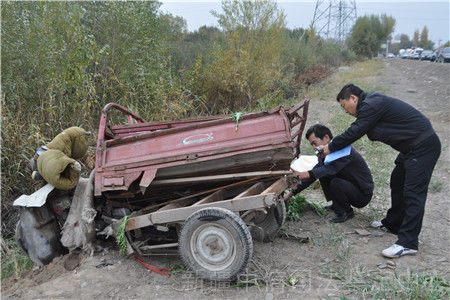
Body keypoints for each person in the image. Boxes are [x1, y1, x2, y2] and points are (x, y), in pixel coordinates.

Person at [318, 83, 441, 258]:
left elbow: (356, 131)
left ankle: (408, 243)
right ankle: (393, 223)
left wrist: (330, 147)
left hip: (423, 147)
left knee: (413, 193)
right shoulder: (372, 105)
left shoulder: (371, 104)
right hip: (411, 148)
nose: (345, 111)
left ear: (353, 98)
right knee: (397, 181)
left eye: (344, 106)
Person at [286, 124, 374, 223]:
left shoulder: (342, 151)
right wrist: (291, 193)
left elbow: (329, 169)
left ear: (326, 138)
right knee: (322, 175)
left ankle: (346, 211)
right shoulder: (326, 154)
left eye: (315, 143)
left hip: (362, 194)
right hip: (350, 185)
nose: (314, 148)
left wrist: (306, 174)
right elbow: (314, 175)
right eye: (312, 145)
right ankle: (337, 204)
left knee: (336, 182)